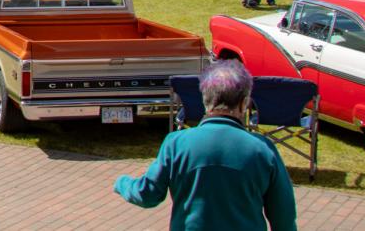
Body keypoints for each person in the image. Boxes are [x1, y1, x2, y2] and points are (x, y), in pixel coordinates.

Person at [114, 60, 297, 231]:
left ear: (205, 101)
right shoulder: (263, 150)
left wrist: (122, 183)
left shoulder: (176, 144)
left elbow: (148, 194)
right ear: (244, 104)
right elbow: (284, 219)